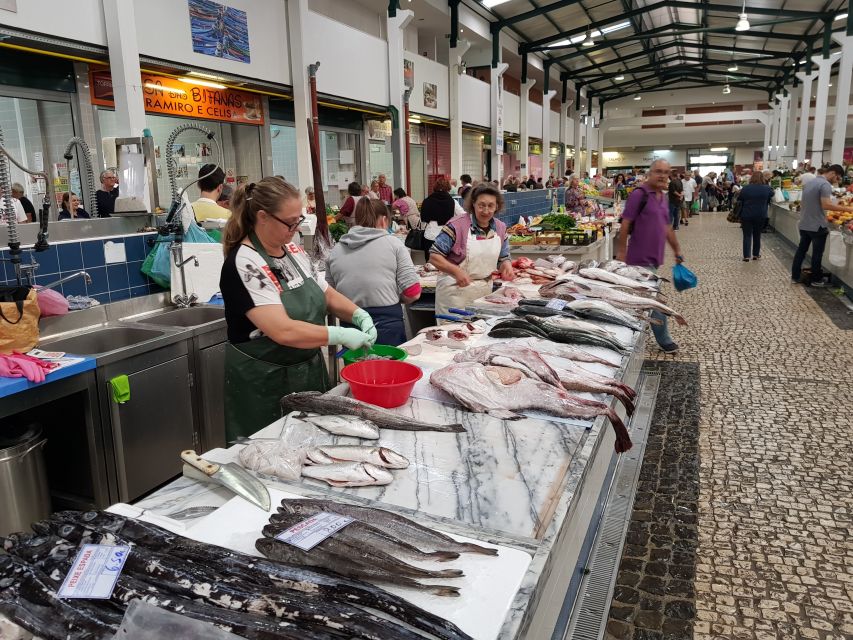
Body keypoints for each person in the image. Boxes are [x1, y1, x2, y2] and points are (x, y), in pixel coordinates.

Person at [219, 177, 376, 440]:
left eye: (298, 220)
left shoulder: (292, 249)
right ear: (263, 217)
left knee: (314, 449)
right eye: (290, 222)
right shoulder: (245, 263)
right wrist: (338, 335)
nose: (296, 227)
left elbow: (325, 293)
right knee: (268, 458)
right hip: (264, 383)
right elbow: (283, 331)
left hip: (307, 373)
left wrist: (358, 315)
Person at [326, 199, 421, 346]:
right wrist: (395, 297)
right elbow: (413, 291)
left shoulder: (336, 250)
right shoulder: (394, 244)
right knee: (388, 368)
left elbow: (329, 296)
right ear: (384, 220)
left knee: (356, 369)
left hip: (351, 329)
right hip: (388, 326)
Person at [614, 159, 684, 354]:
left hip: (654, 258)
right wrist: (621, 253)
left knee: (643, 299)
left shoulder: (663, 197)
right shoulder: (639, 194)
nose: (662, 175)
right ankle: (664, 339)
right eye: (658, 171)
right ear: (650, 173)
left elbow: (667, 227)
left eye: (666, 172)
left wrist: (677, 249)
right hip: (639, 259)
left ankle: (626, 333)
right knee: (656, 302)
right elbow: (626, 223)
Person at [430, 183, 515, 320]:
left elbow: (503, 257)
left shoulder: (500, 228)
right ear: (473, 204)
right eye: (481, 205)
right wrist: (456, 271)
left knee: (479, 335)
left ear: (497, 207)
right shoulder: (456, 225)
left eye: (490, 206)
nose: (486, 210)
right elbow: (434, 256)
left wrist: (507, 266)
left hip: (483, 294)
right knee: (454, 337)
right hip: (455, 293)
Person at [792, 164, 853, 287]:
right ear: (833, 173)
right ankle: (816, 280)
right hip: (817, 225)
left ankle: (795, 276)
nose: (837, 181)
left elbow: (806, 203)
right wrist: (848, 209)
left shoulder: (810, 182)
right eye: (838, 178)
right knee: (817, 253)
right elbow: (826, 205)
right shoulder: (825, 185)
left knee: (801, 251)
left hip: (805, 223)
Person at [736, 171, 773, 262]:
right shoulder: (767, 188)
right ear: (762, 178)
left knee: (747, 235)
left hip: (747, 214)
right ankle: (756, 255)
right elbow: (771, 196)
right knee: (757, 235)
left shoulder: (746, 188)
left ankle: (746, 256)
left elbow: (739, 199)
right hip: (761, 215)